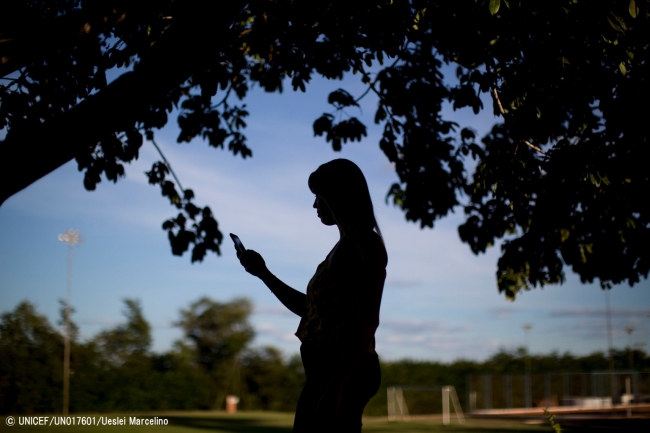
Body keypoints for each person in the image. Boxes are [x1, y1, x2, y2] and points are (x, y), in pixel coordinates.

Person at [236, 158, 388, 432]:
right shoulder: (344, 248)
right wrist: (263, 273)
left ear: (338, 197)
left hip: (338, 374)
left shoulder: (361, 247)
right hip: (327, 375)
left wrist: (337, 389)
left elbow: (364, 324)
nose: (315, 205)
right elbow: (313, 311)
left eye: (319, 196)